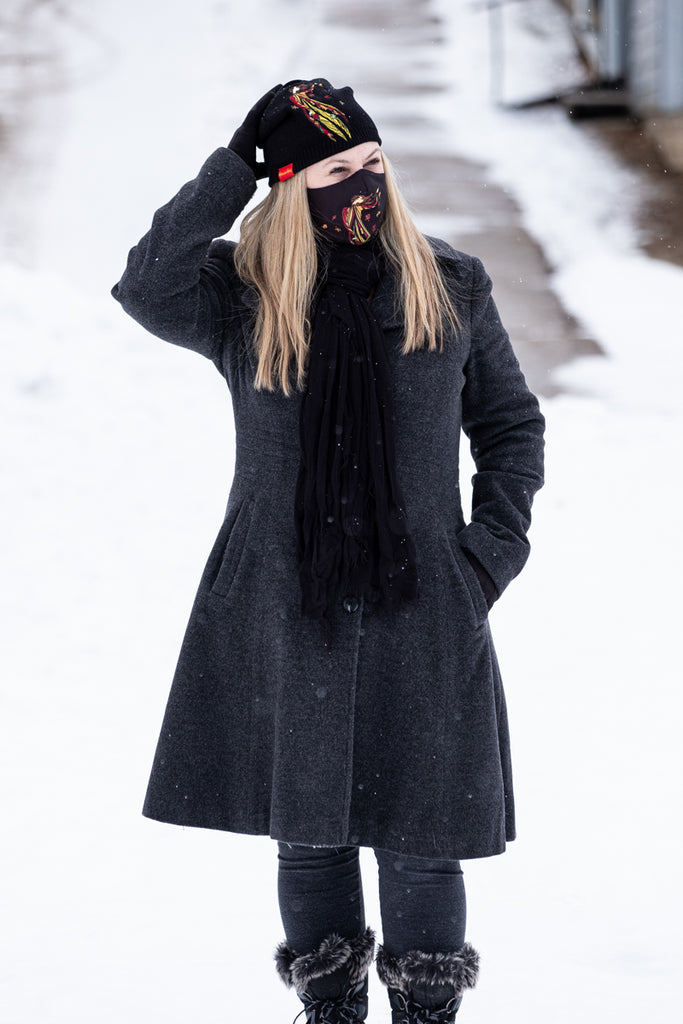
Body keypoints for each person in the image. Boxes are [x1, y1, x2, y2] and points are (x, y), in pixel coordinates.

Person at [112, 78, 545, 1024]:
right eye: (338, 170)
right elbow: (145, 280)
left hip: (423, 597)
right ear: (291, 185)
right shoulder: (242, 294)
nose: (365, 187)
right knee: (308, 838)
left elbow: (509, 425)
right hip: (283, 597)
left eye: (374, 164)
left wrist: (487, 557)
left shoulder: (450, 281)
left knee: (422, 836)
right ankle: (330, 1010)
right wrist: (235, 167)